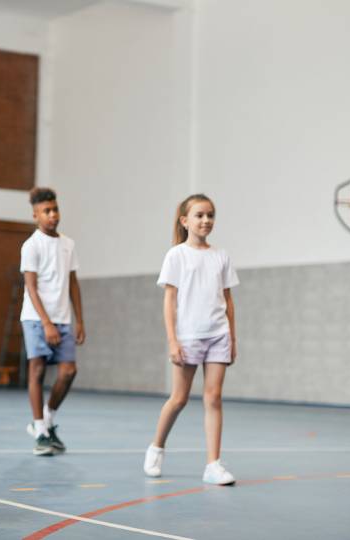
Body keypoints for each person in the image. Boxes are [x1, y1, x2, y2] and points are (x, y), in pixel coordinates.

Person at [143, 194, 239, 486]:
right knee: (179, 398)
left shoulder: (221, 256)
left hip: (218, 334)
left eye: (210, 215)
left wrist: (232, 337)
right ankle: (157, 446)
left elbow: (228, 299)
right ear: (185, 221)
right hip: (188, 336)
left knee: (214, 398)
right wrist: (173, 340)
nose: (206, 220)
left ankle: (213, 464)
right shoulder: (177, 255)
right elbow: (169, 300)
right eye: (199, 215)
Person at [20, 187, 85, 457]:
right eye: (46, 211)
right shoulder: (31, 245)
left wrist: (79, 320)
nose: (52, 215)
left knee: (69, 371)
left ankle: (47, 418)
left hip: (63, 319)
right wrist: (46, 323)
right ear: (36, 215)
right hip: (36, 319)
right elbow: (31, 288)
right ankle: (40, 431)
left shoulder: (68, 244)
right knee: (37, 371)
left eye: (55, 209)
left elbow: (73, 283)